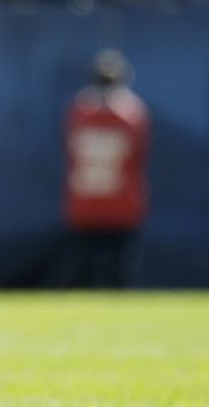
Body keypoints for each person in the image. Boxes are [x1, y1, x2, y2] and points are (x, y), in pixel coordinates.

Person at [57, 49, 151, 288]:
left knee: (82, 272)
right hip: (122, 203)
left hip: (84, 203)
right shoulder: (132, 114)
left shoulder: (79, 111)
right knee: (121, 273)